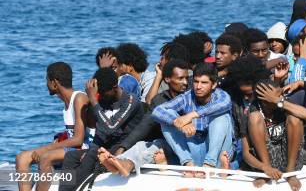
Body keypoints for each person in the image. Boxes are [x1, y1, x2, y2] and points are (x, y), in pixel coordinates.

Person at [97, 59, 190, 177]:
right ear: (167, 79)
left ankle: (163, 160)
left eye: (187, 78)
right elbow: (144, 125)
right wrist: (122, 147)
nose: (185, 82)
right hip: (167, 144)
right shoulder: (159, 100)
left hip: (190, 143)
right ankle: (123, 163)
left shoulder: (191, 97)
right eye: (180, 78)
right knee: (143, 146)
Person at [59, 67, 144, 191]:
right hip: (105, 146)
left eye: (103, 93)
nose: (100, 96)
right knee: (71, 157)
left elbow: (110, 128)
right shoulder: (104, 100)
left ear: (115, 88)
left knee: (91, 156)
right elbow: (100, 132)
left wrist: (93, 100)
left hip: (124, 147)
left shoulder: (131, 100)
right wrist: (91, 150)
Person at [15, 62, 92, 191]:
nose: (46, 84)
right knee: (21, 158)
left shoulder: (79, 98)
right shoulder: (66, 103)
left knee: (46, 157)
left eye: (47, 80)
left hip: (86, 149)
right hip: (73, 149)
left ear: (54, 83)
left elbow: (78, 139)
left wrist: (46, 149)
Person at [152, 63, 233, 172]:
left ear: (213, 85)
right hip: (194, 149)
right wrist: (179, 122)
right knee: (167, 117)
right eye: (196, 81)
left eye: (204, 83)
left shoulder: (221, 96)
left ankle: (211, 165)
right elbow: (157, 111)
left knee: (221, 116)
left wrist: (192, 115)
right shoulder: (187, 97)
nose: (198, 86)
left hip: (217, 152)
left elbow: (225, 103)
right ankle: (188, 164)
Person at [247, 79, 306, 191]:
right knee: (255, 118)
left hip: (289, 158)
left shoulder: (281, 102)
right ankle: (266, 173)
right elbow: (245, 153)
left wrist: (278, 100)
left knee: (294, 118)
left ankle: (291, 173)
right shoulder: (251, 110)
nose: (282, 96)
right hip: (266, 161)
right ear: (264, 100)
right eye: (277, 95)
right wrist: (265, 168)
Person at [223, 55, 274, 170]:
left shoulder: (266, 100)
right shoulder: (234, 100)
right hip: (242, 139)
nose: (246, 98)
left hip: (263, 141)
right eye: (244, 94)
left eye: (250, 94)